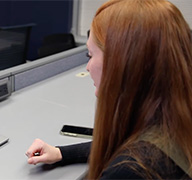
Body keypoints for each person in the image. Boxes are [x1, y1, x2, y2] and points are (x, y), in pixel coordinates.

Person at [26, 0, 192, 179]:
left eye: (90, 55)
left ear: (122, 64)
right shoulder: (174, 121)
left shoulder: (131, 170)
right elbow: (127, 143)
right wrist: (62, 153)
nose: (88, 67)